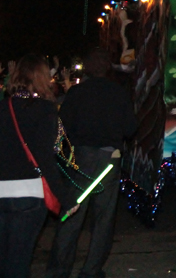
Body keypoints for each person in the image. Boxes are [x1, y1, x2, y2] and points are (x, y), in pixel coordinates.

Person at [46, 49, 138, 278]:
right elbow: (130, 128)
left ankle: (59, 269)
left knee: (73, 212)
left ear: (87, 67)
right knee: (103, 218)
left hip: (82, 157)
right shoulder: (118, 93)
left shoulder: (78, 93)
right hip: (109, 158)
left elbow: (63, 125)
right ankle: (91, 270)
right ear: (107, 67)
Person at [1, 55, 76, 278]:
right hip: (28, 194)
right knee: (19, 261)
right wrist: (65, 198)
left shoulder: (2, 108)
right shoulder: (44, 109)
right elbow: (45, 159)